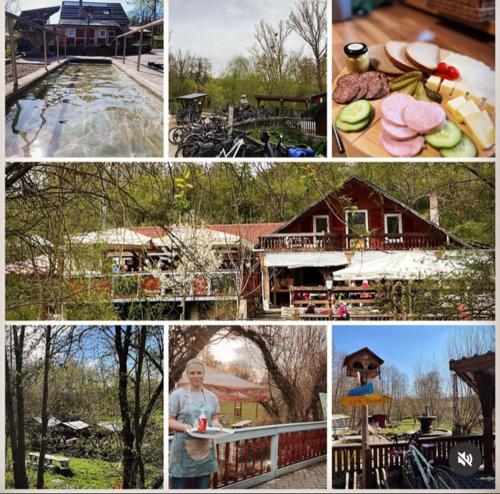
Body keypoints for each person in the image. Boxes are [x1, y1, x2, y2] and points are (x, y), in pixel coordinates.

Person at [169, 359, 222, 489]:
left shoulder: (212, 397)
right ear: (187, 374)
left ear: (204, 374)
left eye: (199, 372)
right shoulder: (177, 396)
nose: (196, 376)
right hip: (182, 453)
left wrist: (216, 423)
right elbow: (169, 420)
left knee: (202, 487)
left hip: (205, 449)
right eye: (192, 373)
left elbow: (214, 417)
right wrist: (183, 426)